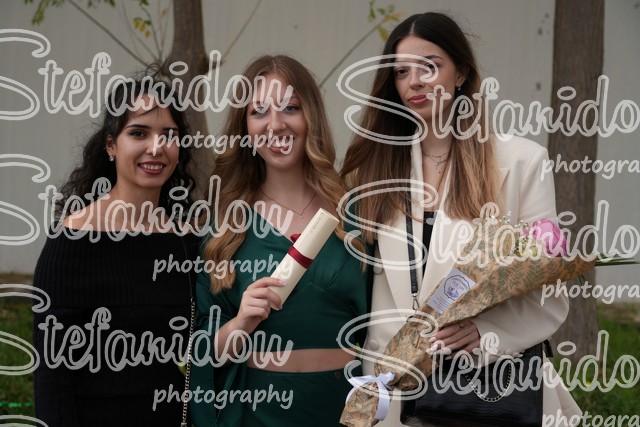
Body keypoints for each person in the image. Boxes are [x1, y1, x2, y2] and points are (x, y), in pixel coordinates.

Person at [340, 12, 581, 427]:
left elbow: (549, 292)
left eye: (429, 66)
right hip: (393, 394)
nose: (414, 82)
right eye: (401, 72)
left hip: (488, 393)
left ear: (461, 73)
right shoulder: (372, 173)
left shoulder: (522, 162)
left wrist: (488, 332)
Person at [190, 55, 369, 427]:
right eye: (259, 112)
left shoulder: (354, 214)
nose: (275, 124)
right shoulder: (226, 226)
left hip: (344, 410)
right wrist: (240, 322)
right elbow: (203, 351)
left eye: (290, 107)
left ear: (311, 117)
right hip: (258, 411)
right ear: (244, 127)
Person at [32, 75, 199, 426]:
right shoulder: (72, 240)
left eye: (168, 135)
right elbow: (52, 376)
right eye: (138, 133)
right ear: (111, 145)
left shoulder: (186, 241)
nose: (156, 148)